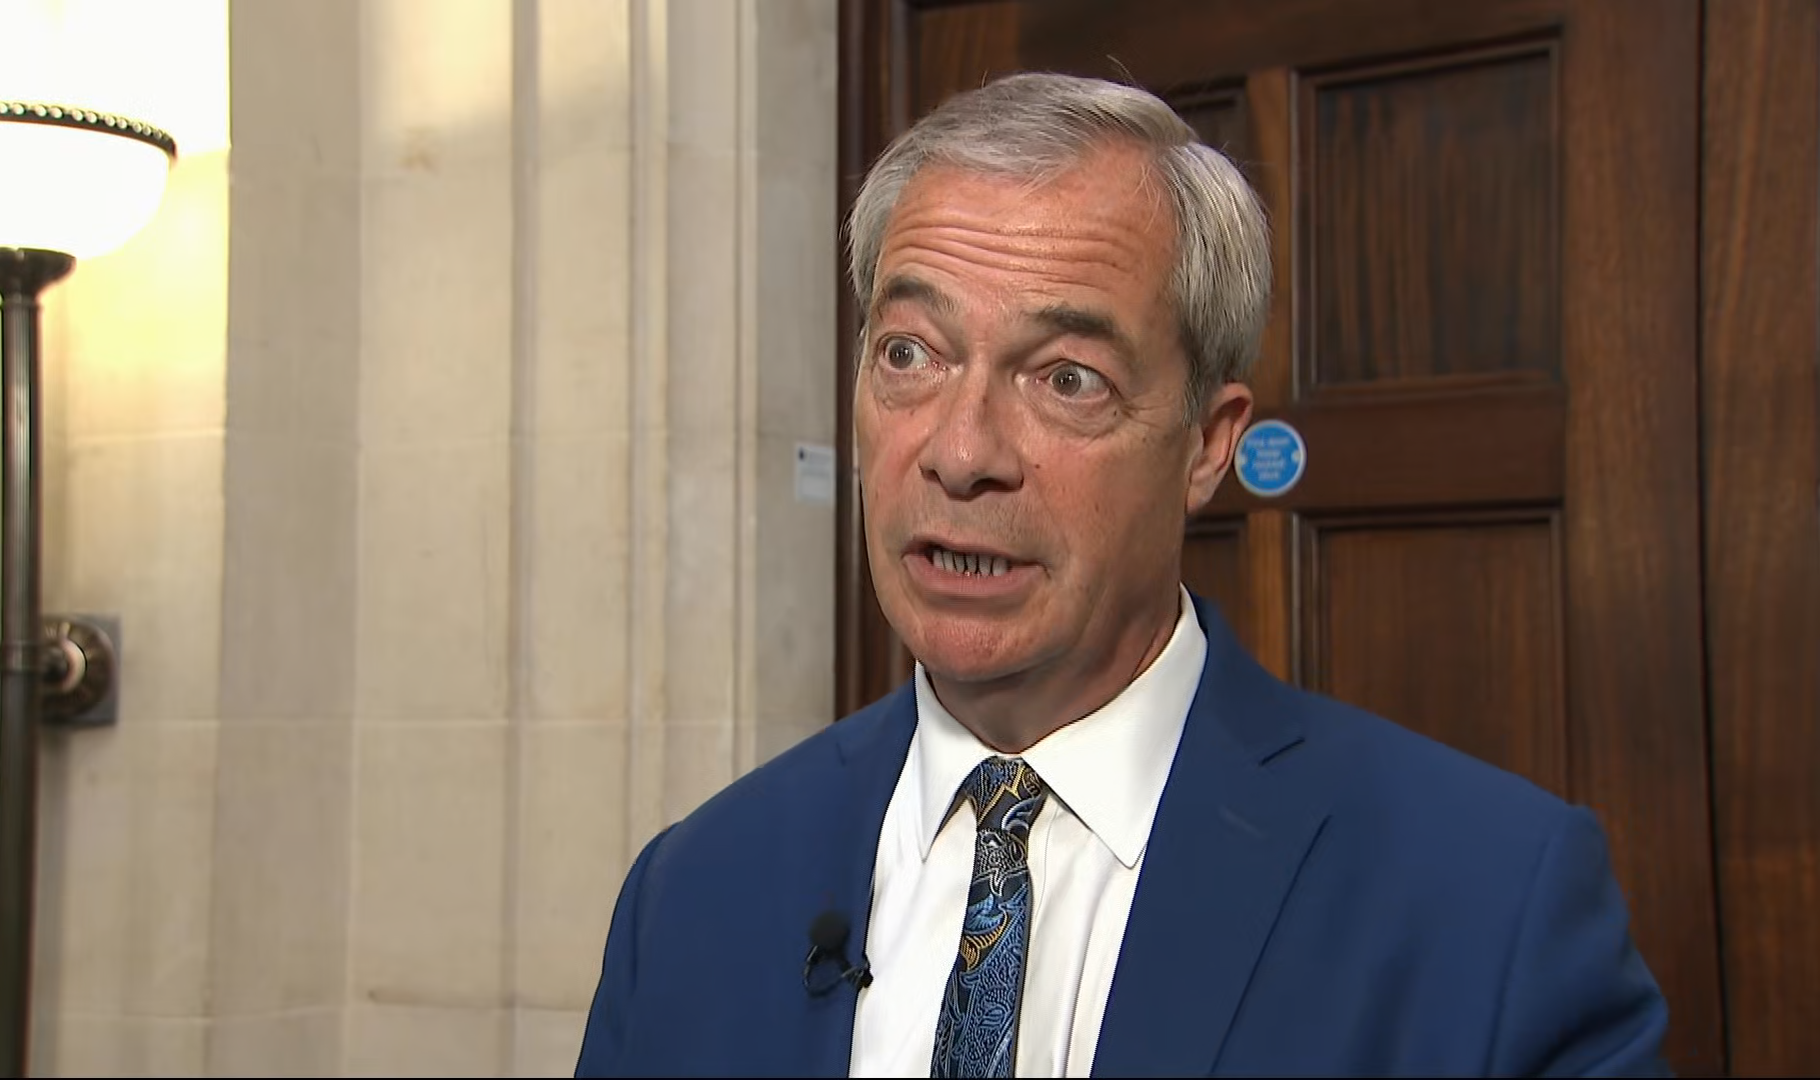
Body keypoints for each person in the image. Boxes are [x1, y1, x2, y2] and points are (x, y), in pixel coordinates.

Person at [574, 72, 1668, 1078]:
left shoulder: (1490, 903)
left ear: (1206, 445)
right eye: (910, 354)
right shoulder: (692, 892)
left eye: (1067, 378)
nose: (961, 452)